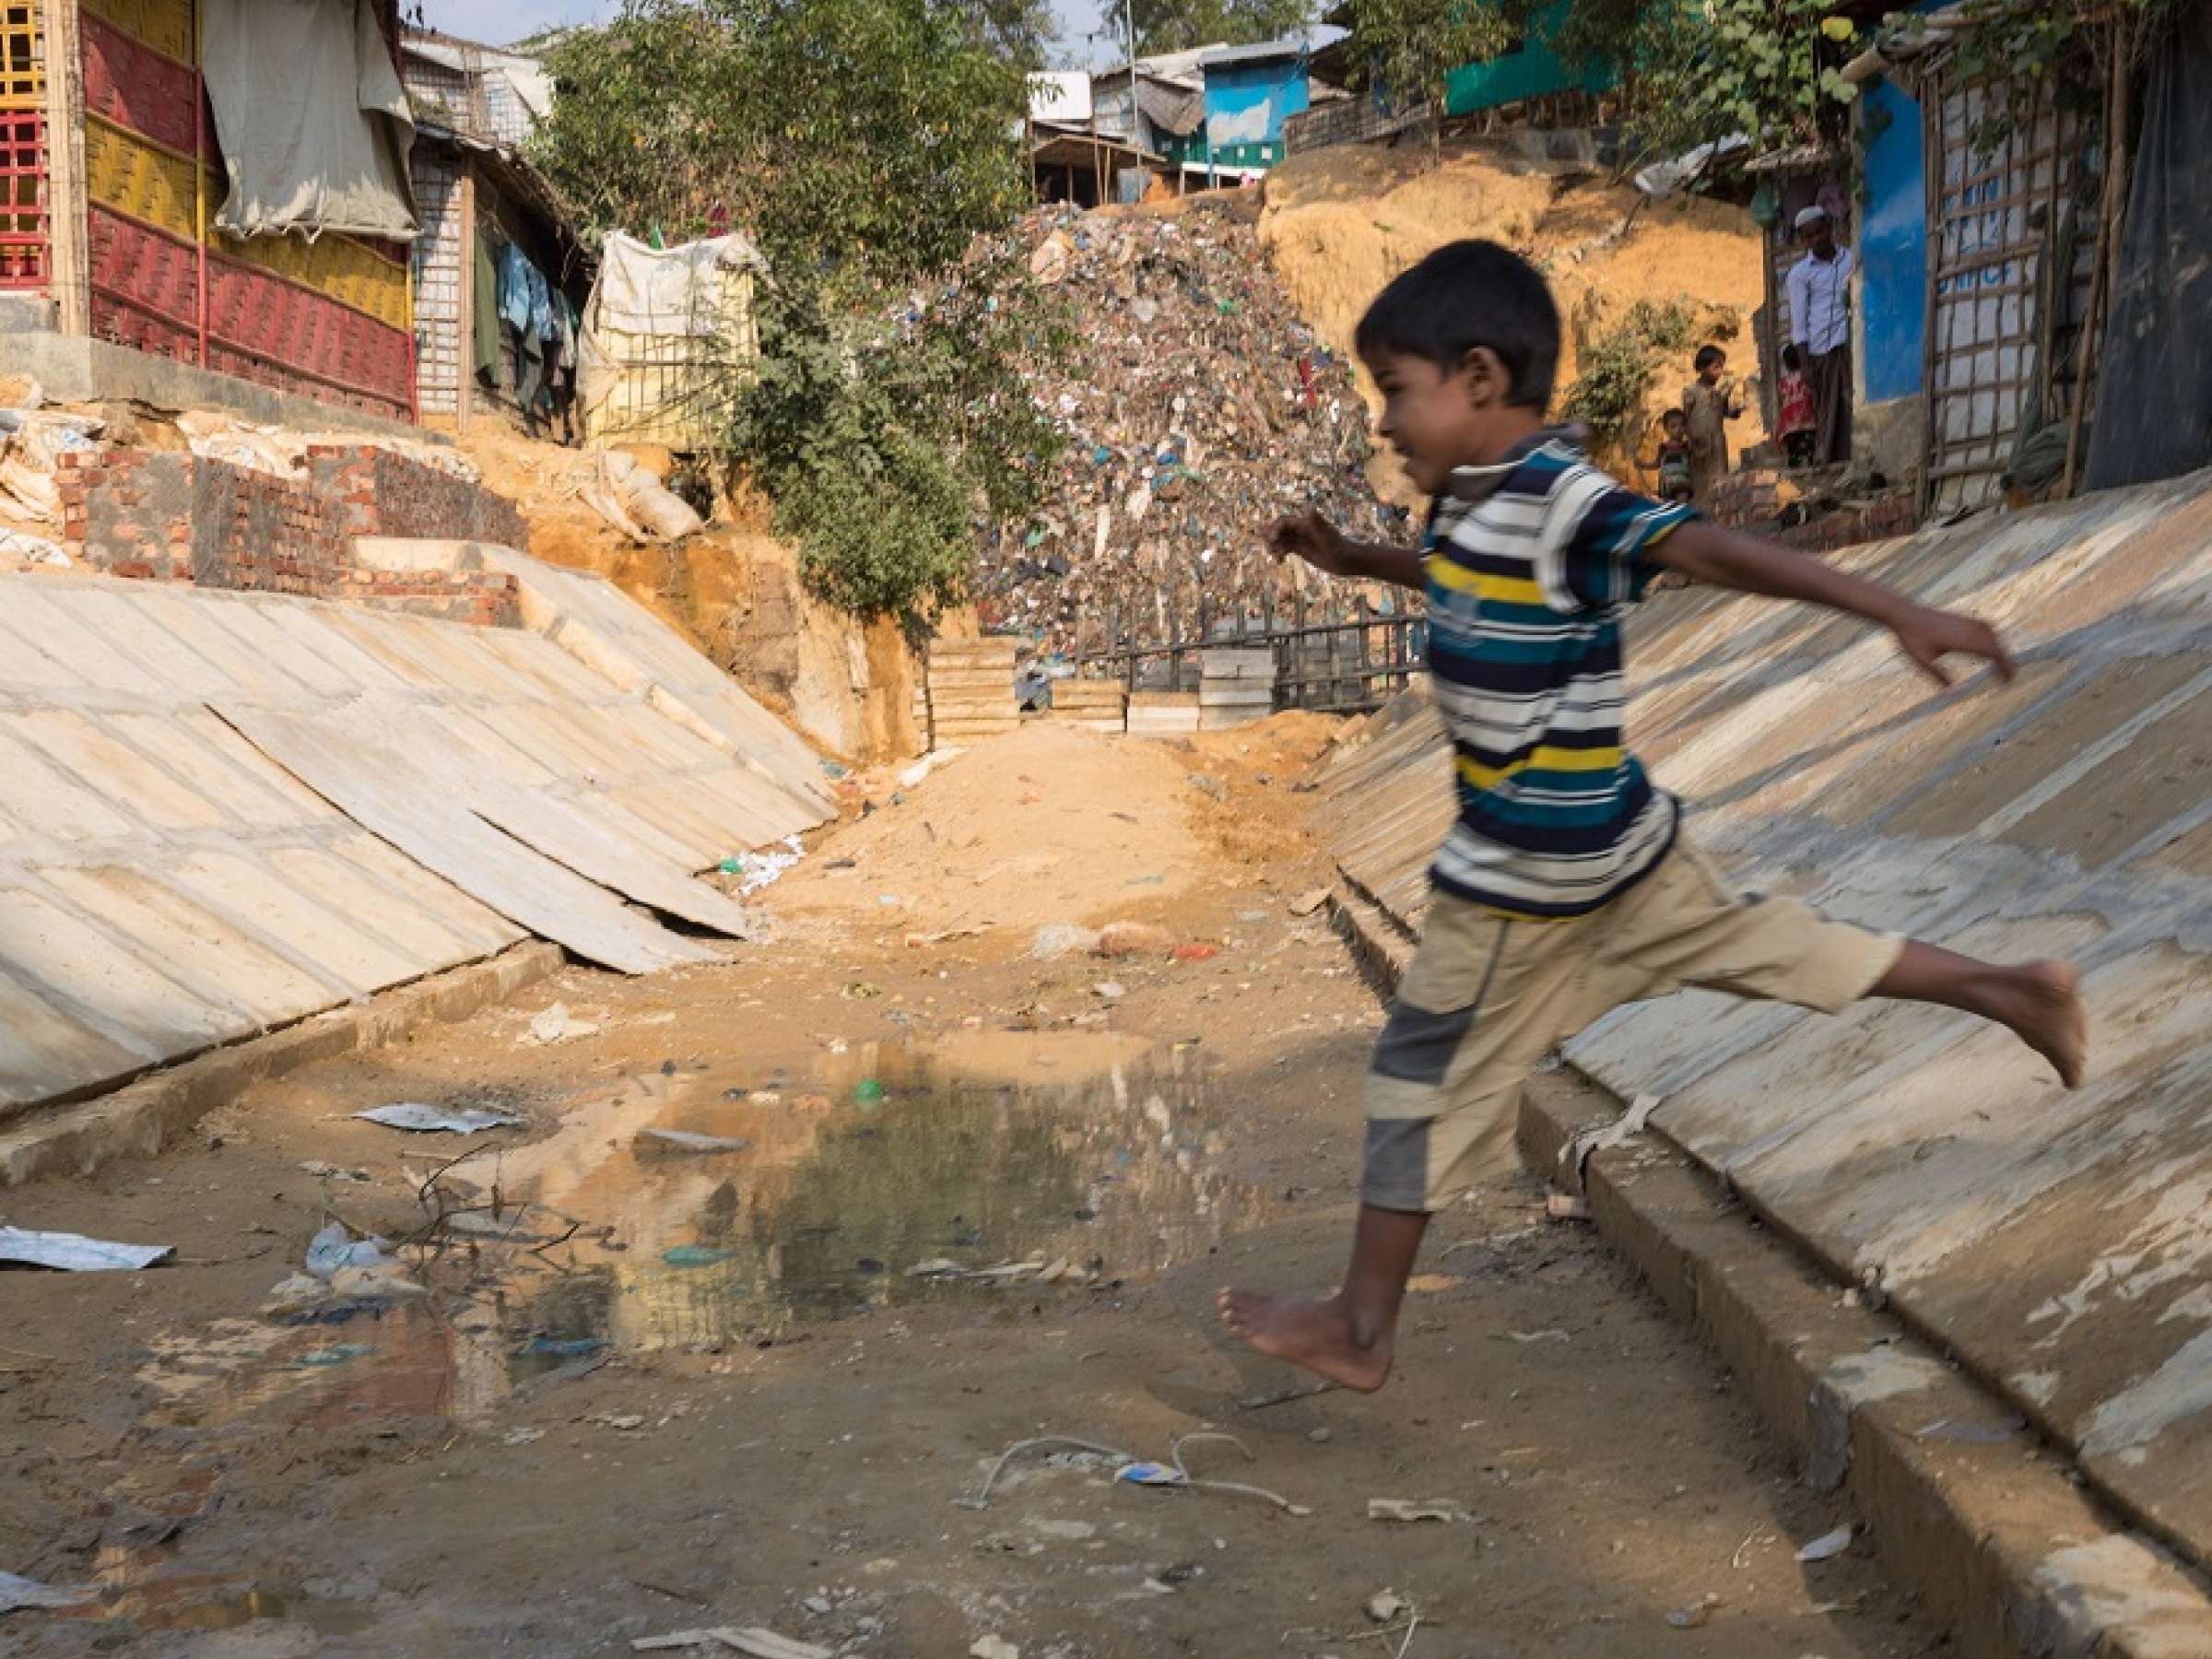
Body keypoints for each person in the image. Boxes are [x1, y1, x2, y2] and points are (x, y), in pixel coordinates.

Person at [1220, 240, 2086, 1394]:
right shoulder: (1467, 505)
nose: (1384, 423)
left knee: (1420, 1076)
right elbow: (1463, 579)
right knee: (1787, 946)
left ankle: (1362, 1329)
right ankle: (2012, 988)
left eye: (1397, 391)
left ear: (1480, 380)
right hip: (1625, 850)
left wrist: (1891, 608)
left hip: (1526, 881)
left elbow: (1708, 546)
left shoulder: (1560, 494)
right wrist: (1353, 559)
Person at [1786, 204, 1853, 464]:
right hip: (1820, 351)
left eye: (1820, 232)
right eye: (1810, 236)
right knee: (1829, 409)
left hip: (1848, 343)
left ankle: (1853, 457)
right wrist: (1805, 365)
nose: (1817, 239)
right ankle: (1830, 462)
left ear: (1829, 228)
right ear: (1804, 240)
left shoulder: (1850, 258)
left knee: (1850, 405)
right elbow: (1799, 324)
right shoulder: (1799, 275)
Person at [1679, 344, 1743, 502]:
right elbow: (1684, 420)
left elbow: (1724, 411)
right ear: (1701, 368)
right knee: (1700, 484)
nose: (1720, 372)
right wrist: (1693, 442)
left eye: (1721, 367)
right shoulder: (1691, 391)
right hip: (1699, 444)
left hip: (1718, 443)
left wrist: (1734, 413)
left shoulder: (1719, 392)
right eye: (1716, 367)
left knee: (1720, 481)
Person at [1777, 342, 1818, 469]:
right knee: (1809, 449)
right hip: (1808, 421)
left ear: (1786, 364)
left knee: (1793, 452)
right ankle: (1810, 468)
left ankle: (1795, 472)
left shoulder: (1783, 382)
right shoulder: (1807, 377)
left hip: (1790, 424)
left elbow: (1783, 398)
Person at [1647, 406, 1695, 504]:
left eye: (1682, 425)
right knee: (1668, 504)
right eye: (1673, 426)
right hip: (1666, 483)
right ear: (1666, 429)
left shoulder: (1686, 446)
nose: (1678, 429)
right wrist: (1643, 465)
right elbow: (1657, 464)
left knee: (1682, 500)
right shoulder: (1663, 448)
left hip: (1682, 483)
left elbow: (1697, 455)